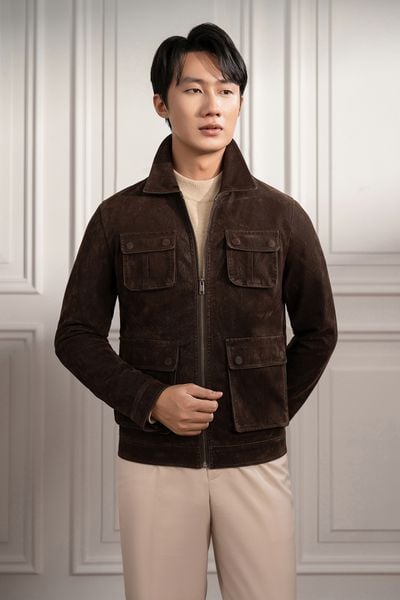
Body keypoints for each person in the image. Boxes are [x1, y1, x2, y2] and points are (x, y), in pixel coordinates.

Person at [54, 22, 337, 600]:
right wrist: (150, 400)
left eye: (227, 90)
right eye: (194, 89)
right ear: (161, 103)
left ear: (240, 102)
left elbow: (318, 331)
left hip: (255, 461)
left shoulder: (282, 216)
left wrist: (264, 411)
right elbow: (76, 334)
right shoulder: (118, 217)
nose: (213, 105)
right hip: (155, 462)